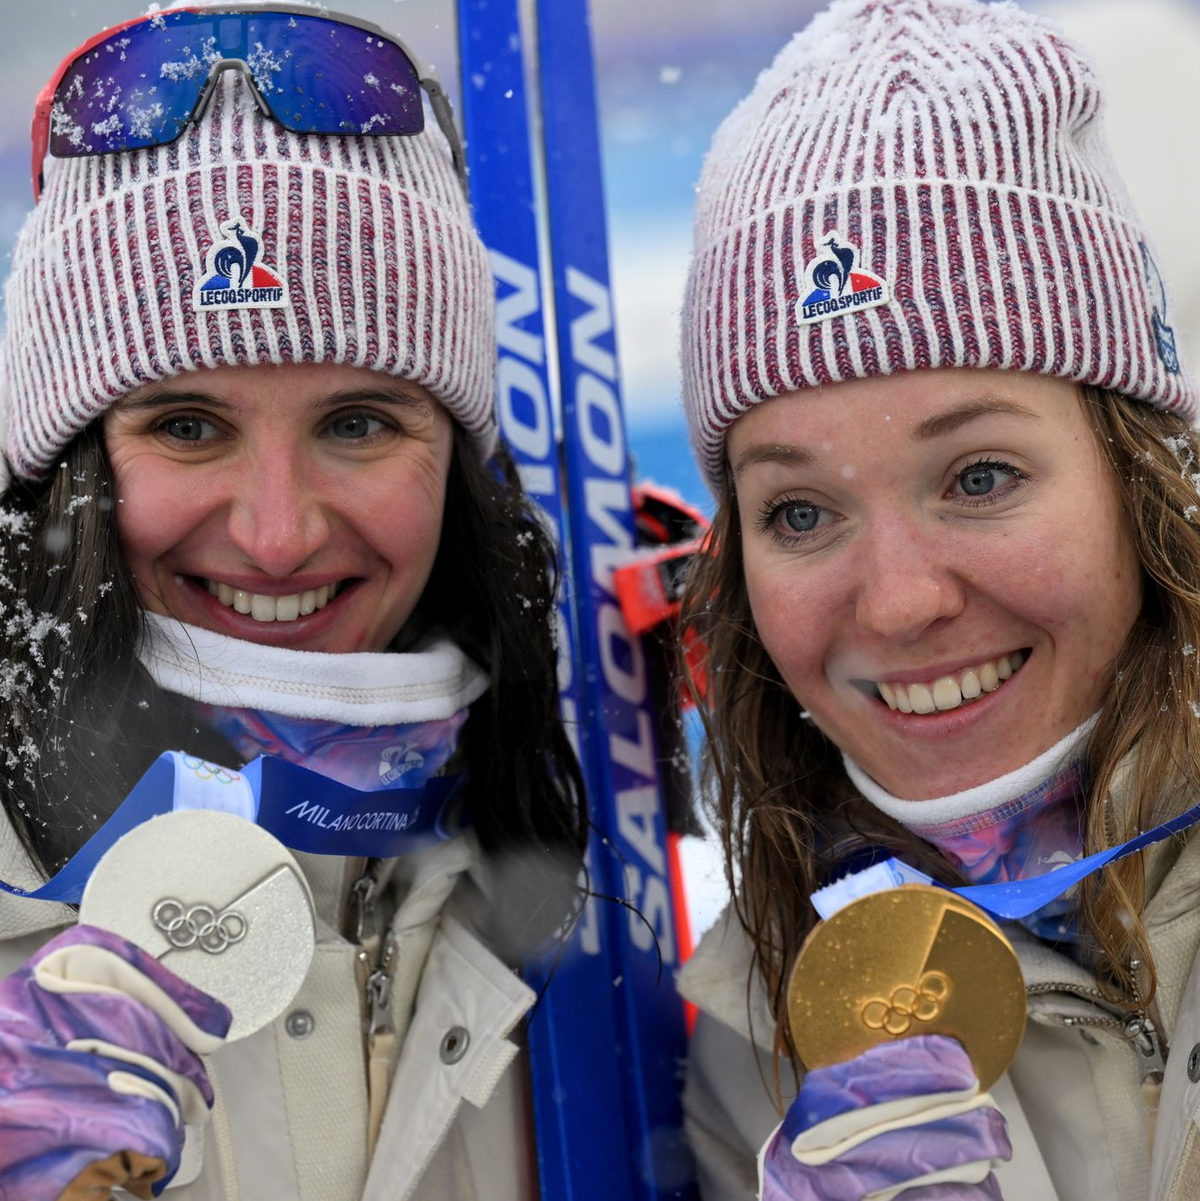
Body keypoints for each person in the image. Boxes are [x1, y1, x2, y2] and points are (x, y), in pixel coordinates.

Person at [0, 5, 585, 1198]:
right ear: (67, 471)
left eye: (358, 422)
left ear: (459, 466)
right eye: (186, 425)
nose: (278, 534)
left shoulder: (575, 866)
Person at [674, 0, 1200, 1198]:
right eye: (799, 512)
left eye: (979, 476)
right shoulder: (760, 1046)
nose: (900, 604)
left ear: (1136, 476)